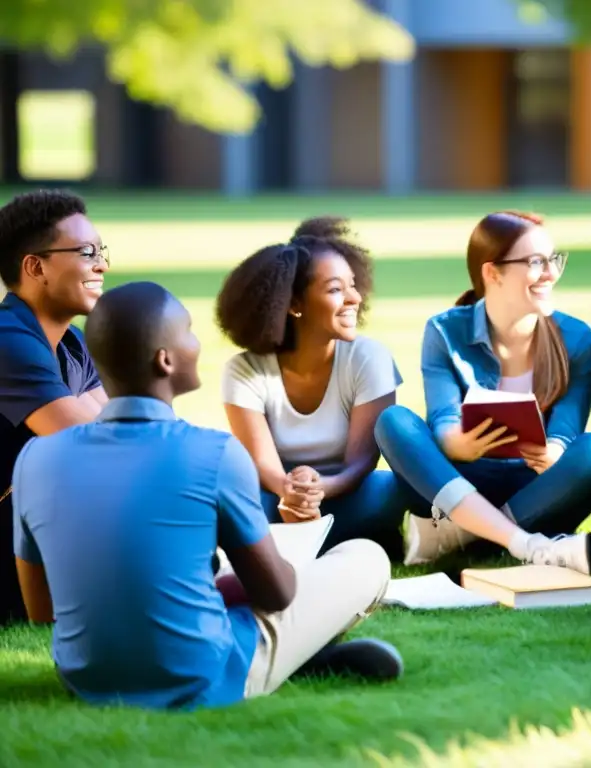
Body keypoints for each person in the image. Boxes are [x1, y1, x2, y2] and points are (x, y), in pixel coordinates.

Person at [12, 281, 402, 710]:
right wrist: (256, 575)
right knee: (366, 557)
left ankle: (300, 656)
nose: (198, 344)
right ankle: (298, 657)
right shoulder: (213, 452)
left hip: (84, 678)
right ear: (165, 359)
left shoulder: (35, 458)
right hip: (202, 677)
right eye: (190, 332)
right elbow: (276, 595)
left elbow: (43, 611)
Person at [374, 210, 591, 576]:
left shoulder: (577, 337)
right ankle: (523, 542)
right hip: (459, 477)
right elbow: (443, 418)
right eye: (536, 262)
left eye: (554, 260)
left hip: (535, 485)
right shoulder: (445, 331)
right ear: (493, 273)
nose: (552, 274)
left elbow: (567, 426)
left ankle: (461, 534)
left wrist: (554, 451)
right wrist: (455, 443)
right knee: (393, 421)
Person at [216, 217, 408, 559]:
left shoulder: (369, 358)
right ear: (294, 305)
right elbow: (263, 464)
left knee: (389, 489)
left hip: (347, 493)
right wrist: (290, 492)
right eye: (336, 289)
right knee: (232, 498)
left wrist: (320, 489)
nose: (354, 298)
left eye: (353, 284)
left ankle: (295, 542)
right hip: (276, 498)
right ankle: (339, 539)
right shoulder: (244, 370)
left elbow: (361, 462)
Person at [0, 189, 109, 625]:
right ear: (35, 266)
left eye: (102, 252)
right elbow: (98, 447)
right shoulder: (8, 342)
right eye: (86, 253)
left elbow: (129, 430)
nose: (103, 265)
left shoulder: (71, 343)